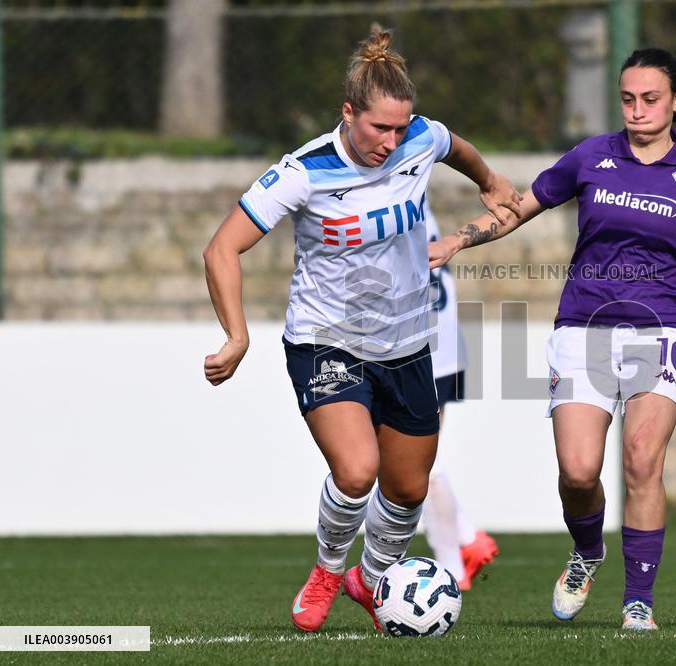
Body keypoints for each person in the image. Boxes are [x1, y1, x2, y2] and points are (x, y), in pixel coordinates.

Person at [429, 47, 676, 630]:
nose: (637, 110)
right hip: (583, 327)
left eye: (651, 99)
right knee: (579, 472)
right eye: (628, 99)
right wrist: (461, 238)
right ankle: (587, 553)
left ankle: (639, 603)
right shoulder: (591, 157)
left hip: (662, 330)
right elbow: (520, 208)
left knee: (641, 462)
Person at [202, 24, 520, 633]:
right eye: (379, 128)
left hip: (406, 342)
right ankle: (327, 569)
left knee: (408, 488)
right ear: (348, 113)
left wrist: (490, 183)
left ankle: (371, 581)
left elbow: (454, 145)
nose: (392, 141)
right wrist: (236, 336)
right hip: (327, 339)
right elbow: (221, 250)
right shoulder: (303, 171)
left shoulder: (418, 139)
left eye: (401, 128)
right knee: (356, 471)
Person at [422, 212, 499, 591]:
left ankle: (455, 561)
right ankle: (466, 541)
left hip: (421, 347)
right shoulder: (414, 202)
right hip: (442, 345)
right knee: (414, 460)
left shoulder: (388, 201)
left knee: (410, 462)